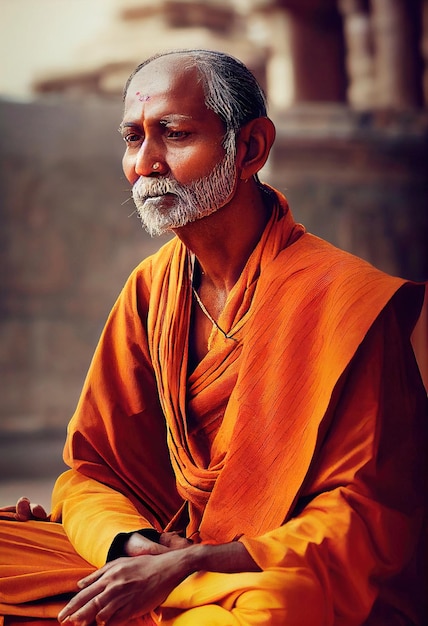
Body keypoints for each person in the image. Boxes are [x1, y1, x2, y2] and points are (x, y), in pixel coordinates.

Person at [0, 49, 427, 626]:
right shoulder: (152, 288)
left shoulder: (344, 298)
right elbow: (91, 471)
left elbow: (368, 513)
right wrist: (131, 546)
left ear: (250, 148)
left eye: (174, 135)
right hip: (163, 553)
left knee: (276, 607)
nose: (146, 163)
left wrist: (194, 564)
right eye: (133, 138)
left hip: (263, 568)